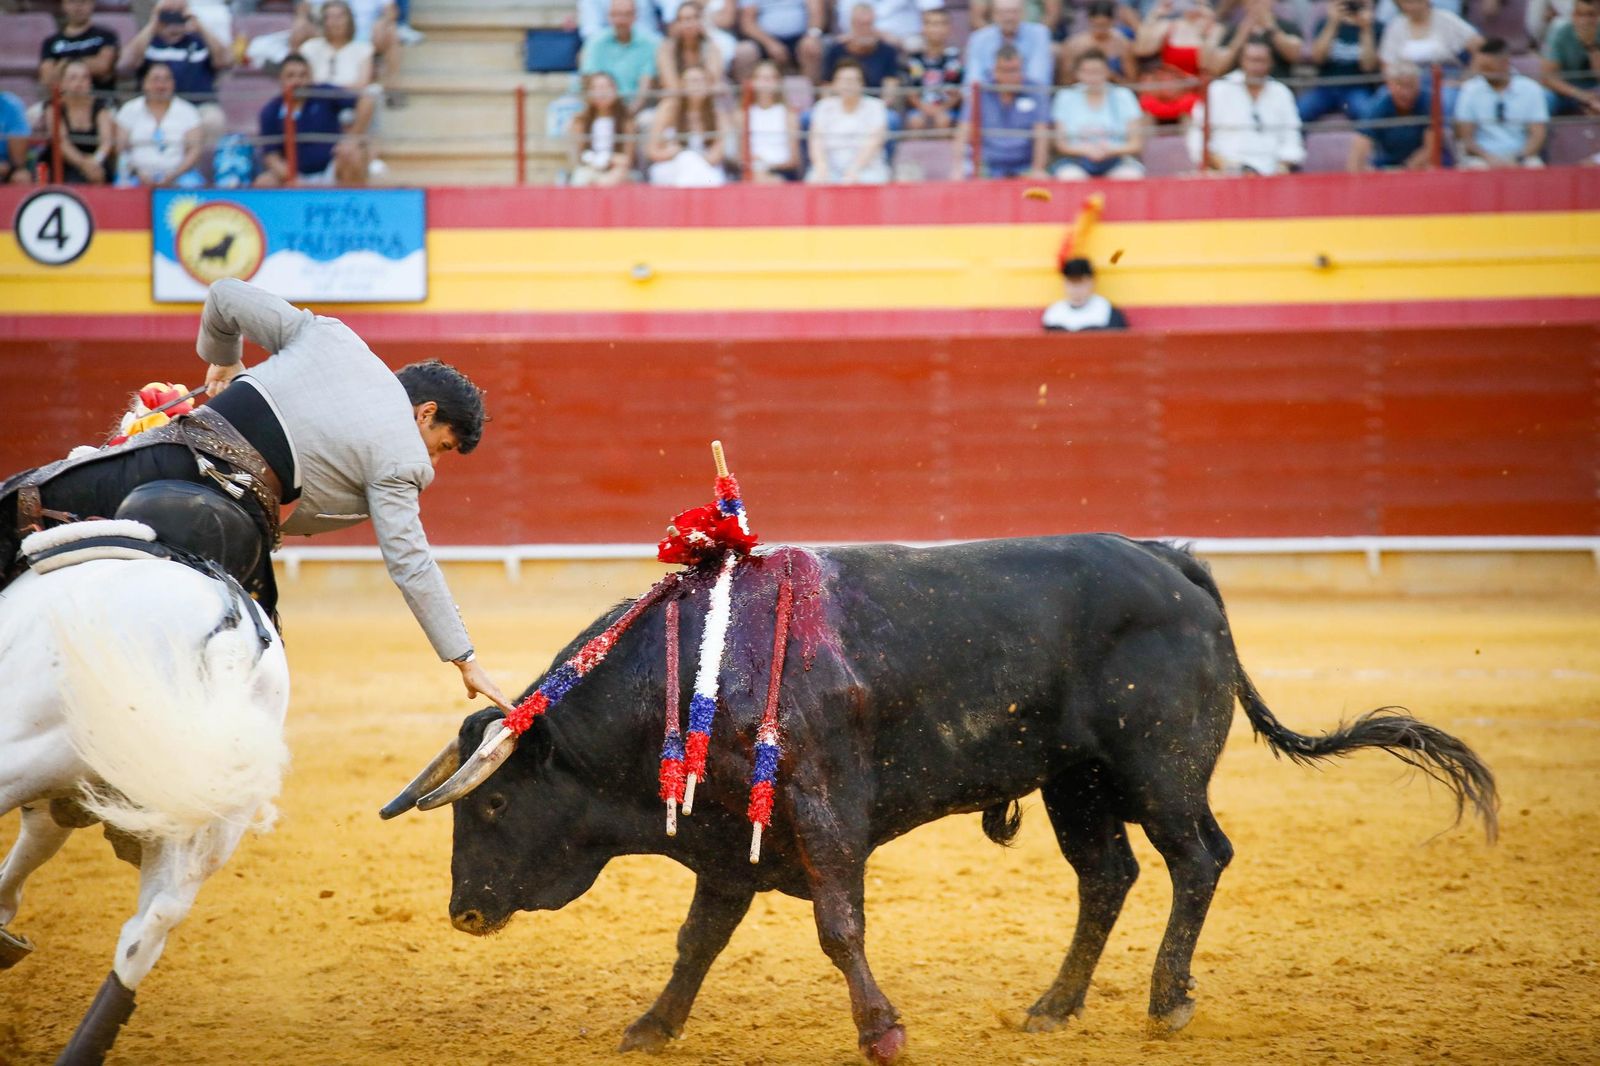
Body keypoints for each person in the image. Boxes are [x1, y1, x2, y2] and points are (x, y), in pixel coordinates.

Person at [0, 278, 517, 719]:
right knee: (255, 667)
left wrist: (224, 364)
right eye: (443, 447)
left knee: (20, 504)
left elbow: (224, 294)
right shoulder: (403, 458)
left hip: (169, 460)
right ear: (425, 414)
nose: (434, 463)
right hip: (240, 527)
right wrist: (464, 658)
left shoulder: (330, 336)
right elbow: (411, 564)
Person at [1186, 40, 1304, 174]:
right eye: (1252, 60)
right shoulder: (1218, 89)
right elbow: (1198, 137)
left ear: (1271, 63)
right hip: (1226, 172)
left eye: (1261, 61)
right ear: (1241, 61)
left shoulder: (1281, 92)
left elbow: (1292, 138)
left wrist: (1282, 166)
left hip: (1271, 174)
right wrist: (1222, 164)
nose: (1256, 67)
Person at [255, 52, 373, 185]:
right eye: (291, 76)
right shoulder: (270, 111)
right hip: (293, 176)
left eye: (303, 75)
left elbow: (365, 101)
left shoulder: (323, 93)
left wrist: (351, 138)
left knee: (351, 153)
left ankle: (351, 204)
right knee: (264, 182)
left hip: (331, 169)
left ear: (310, 77)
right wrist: (293, 179)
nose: (297, 81)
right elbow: (271, 157)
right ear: (280, 79)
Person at [124, 0, 230, 140]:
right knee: (129, 116)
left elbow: (225, 61)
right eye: (168, 20)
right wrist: (154, 21)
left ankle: (201, 162)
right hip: (155, 104)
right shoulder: (150, 42)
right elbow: (126, 63)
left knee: (213, 120)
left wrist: (199, 24)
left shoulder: (198, 42)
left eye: (178, 20)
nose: (173, 27)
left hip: (198, 104)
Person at [1454, 37, 1549, 168]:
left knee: (1535, 167)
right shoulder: (1469, 89)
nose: (1482, 73)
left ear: (1505, 63)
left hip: (1522, 156)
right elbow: (1466, 138)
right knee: (1474, 168)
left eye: (1487, 68)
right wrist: (1489, 158)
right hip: (1482, 158)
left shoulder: (1531, 89)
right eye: (1480, 67)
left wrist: (1518, 158)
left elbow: (1538, 134)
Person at [1050, 49, 1145, 178]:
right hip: (1077, 160)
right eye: (1087, 72)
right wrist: (1086, 151)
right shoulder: (1066, 97)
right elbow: (1061, 144)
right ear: (1077, 73)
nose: (1093, 77)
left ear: (1107, 72)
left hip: (1116, 160)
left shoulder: (1123, 95)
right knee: (1070, 176)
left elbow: (1135, 143)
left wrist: (1109, 151)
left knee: (1130, 175)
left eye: (1097, 71)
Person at [956, 45, 1048, 177]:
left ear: (1023, 70)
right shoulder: (980, 91)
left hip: (1024, 165)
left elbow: (1042, 134)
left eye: (1015, 70)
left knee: (1042, 179)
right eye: (1005, 71)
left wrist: (1038, 168)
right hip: (987, 165)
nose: (1010, 76)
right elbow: (963, 131)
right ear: (995, 71)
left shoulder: (1035, 91)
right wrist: (957, 166)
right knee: (962, 174)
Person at [114, 62, 205, 187]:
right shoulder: (129, 110)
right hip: (136, 174)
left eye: (166, 80)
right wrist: (138, 173)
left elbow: (194, 150)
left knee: (192, 185)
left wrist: (174, 175)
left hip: (179, 175)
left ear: (173, 83)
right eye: (156, 80)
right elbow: (121, 148)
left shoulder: (188, 111)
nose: (161, 85)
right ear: (144, 83)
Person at [1134, 0, 1224, 121]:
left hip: (1194, 90)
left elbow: (1210, 66)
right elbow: (1141, 49)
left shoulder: (1214, 29)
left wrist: (1209, 27)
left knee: (1195, 107)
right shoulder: (1169, 26)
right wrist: (1154, 15)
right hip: (1165, 90)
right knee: (1146, 103)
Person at [808, 59, 892, 182]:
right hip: (830, 168)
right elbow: (816, 141)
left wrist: (854, 170)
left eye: (853, 80)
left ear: (862, 83)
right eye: (843, 80)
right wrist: (821, 167)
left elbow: (875, 142)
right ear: (834, 84)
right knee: (814, 179)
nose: (848, 85)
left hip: (867, 168)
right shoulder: (823, 106)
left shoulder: (876, 106)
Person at [1300, 0, 1383, 121]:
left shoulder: (1375, 27)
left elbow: (1368, 66)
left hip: (1358, 88)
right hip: (1325, 87)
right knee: (1299, 112)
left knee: (1367, 114)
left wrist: (1366, 29)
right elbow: (1318, 59)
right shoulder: (1323, 23)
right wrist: (1332, 23)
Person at [35, 60, 116, 184]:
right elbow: (61, 143)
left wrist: (95, 161)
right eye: (73, 78)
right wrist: (84, 164)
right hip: (64, 162)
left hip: (95, 161)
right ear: (61, 83)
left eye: (85, 78)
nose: (80, 82)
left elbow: (106, 142)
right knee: (74, 180)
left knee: (101, 175)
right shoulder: (53, 107)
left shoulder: (100, 107)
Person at [646, 65, 729, 185]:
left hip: (704, 166)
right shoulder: (669, 108)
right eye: (693, 81)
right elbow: (652, 150)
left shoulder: (716, 112)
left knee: (692, 164)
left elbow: (717, 154)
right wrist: (674, 153)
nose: (697, 85)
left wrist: (694, 158)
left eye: (702, 81)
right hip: (671, 165)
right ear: (682, 85)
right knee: (687, 160)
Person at [1349, 60, 1439, 169]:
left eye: (1411, 85)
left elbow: (1432, 147)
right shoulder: (1378, 104)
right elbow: (1359, 148)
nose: (1407, 93)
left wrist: (1405, 171)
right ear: (1389, 85)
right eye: (1401, 85)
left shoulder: (1427, 101)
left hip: (1420, 166)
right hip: (1386, 164)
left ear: (1418, 84)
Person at [580, 0, 660, 109]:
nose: (621, 20)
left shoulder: (650, 43)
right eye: (617, 15)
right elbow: (590, 82)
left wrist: (629, 114)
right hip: (603, 107)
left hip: (638, 109)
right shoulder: (596, 43)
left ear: (635, 16)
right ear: (609, 16)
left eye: (626, 14)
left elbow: (645, 86)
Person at [964, 0, 1054, 89]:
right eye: (1003, 12)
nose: (1009, 17)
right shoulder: (978, 38)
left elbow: (1039, 79)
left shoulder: (1039, 34)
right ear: (993, 15)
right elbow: (972, 81)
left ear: (1023, 13)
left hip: (1027, 96)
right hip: (988, 97)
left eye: (1014, 12)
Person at [901, 6, 964, 131]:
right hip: (919, 109)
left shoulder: (955, 58)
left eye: (941, 24)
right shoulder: (915, 59)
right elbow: (911, 92)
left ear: (948, 28)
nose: (936, 29)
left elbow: (957, 94)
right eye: (931, 24)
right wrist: (926, 110)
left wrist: (940, 110)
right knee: (915, 121)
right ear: (923, 28)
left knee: (944, 121)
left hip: (947, 110)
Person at [38, 0, 120, 95]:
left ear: (92, 4)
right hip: (63, 102)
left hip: (101, 100)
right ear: (63, 5)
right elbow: (47, 78)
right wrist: (89, 62)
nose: (78, 6)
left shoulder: (106, 35)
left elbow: (103, 67)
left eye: (83, 1)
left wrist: (63, 64)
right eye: (72, 2)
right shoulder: (51, 42)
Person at [569, 70, 637, 186]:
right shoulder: (581, 121)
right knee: (580, 177)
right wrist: (592, 159)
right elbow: (579, 156)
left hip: (619, 170)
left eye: (606, 87)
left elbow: (628, 159)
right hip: (590, 168)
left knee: (616, 176)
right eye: (597, 88)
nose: (602, 92)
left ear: (615, 90)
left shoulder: (626, 120)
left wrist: (608, 159)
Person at [1378, 0, 1482, 74]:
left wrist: (1467, 76)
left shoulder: (1446, 19)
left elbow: (1480, 46)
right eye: (1406, 2)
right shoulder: (1395, 25)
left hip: (1445, 79)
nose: (1411, 7)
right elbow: (1387, 64)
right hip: (1407, 83)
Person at [736, 0, 827, 83]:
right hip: (763, 40)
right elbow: (747, 22)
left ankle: (811, 96)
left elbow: (816, 12)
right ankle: (746, 98)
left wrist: (811, 35)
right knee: (745, 52)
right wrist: (770, 43)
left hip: (801, 37)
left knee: (811, 47)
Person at [741, 59, 802, 180]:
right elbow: (740, 156)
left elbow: (794, 159)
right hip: (752, 171)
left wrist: (768, 165)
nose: (765, 83)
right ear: (753, 82)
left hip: (781, 171)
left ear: (778, 82)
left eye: (770, 78)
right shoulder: (744, 114)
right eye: (761, 78)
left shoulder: (788, 114)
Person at [1212, 0, 1303, 78]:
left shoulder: (1287, 27)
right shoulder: (1232, 30)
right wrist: (1241, 35)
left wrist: (1271, 27)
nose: (1257, 2)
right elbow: (1218, 67)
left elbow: (1295, 55)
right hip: (1237, 90)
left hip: (1278, 89)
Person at [301, 0, 377, 93]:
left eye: (340, 17)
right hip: (317, 99)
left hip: (350, 100)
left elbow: (362, 84)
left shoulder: (363, 49)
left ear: (349, 20)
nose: (335, 22)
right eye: (330, 17)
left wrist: (333, 91)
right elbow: (305, 81)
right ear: (323, 21)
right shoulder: (309, 47)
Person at [823, 3, 904, 90]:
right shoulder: (836, 50)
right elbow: (826, 83)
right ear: (852, 24)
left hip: (876, 101)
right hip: (841, 100)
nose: (865, 29)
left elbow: (891, 81)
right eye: (861, 24)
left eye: (869, 24)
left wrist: (884, 102)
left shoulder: (887, 51)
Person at [1540, 0, 1600, 116]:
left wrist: (1591, 46)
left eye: (1591, 15)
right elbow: (1548, 78)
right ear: (1573, 15)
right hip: (1566, 89)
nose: (1585, 20)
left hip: (1595, 88)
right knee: (1546, 99)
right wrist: (1580, 94)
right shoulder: (1559, 31)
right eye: (1580, 14)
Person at [1042, 257, 1128, 332]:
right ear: (1064, 283)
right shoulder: (1054, 313)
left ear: (1092, 282)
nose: (1076, 289)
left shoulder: (1106, 310)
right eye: (1072, 282)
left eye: (1081, 282)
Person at [1061, 0, 1135, 82]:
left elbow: (1132, 82)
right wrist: (1088, 75)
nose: (1100, 30)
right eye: (1096, 25)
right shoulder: (1074, 44)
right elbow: (1065, 81)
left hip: (1114, 91)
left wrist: (1111, 76)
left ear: (1112, 21)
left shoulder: (1123, 44)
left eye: (1104, 25)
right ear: (1089, 20)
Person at [658, 0, 727, 88]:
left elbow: (713, 81)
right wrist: (693, 83)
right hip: (678, 96)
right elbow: (670, 84)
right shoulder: (666, 49)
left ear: (701, 21)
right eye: (683, 19)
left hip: (706, 96)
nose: (688, 24)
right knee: (670, 101)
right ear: (676, 23)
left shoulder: (711, 47)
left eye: (693, 18)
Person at [0, 92, 30, 186]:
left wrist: (11, 167)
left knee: (21, 178)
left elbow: (18, 160)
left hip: (7, 165)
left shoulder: (11, 105)